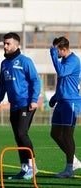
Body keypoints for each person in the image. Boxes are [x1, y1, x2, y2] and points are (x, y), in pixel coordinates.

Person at [0, 32, 41, 180]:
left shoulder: (25, 61)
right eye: (4, 44)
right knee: (18, 137)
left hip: (26, 104)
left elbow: (35, 81)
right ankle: (24, 168)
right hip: (14, 106)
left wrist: (33, 100)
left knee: (21, 134)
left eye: (8, 44)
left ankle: (33, 166)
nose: (5, 46)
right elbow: (2, 86)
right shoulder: (4, 64)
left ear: (16, 45)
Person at [49, 36, 81, 178]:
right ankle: (73, 160)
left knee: (68, 135)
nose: (56, 54)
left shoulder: (73, 60)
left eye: (57, 51)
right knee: (54, 133)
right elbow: (63, 82)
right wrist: (55, 97)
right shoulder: (63, 61)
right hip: (61, 101)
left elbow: (61, 72)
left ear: (63, 49)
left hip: (71, 102)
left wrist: (53, 57)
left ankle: (69, 169)